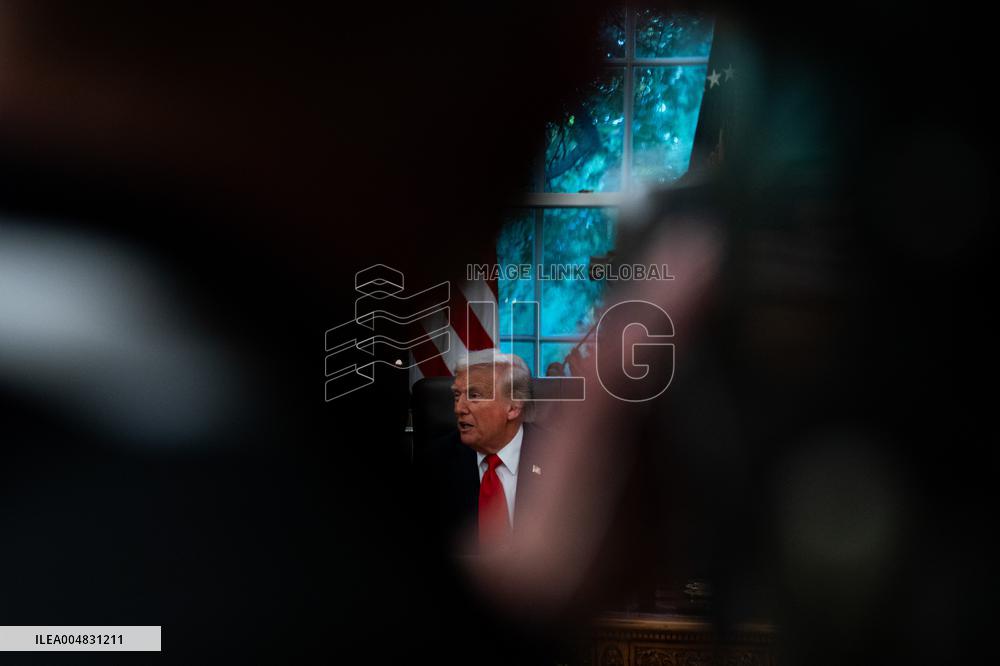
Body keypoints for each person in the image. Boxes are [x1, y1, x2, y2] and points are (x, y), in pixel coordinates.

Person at [417, 349, 547, 556]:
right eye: (457, 396)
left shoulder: (560, 459)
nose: (459, 409)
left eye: (474, 396)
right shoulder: (432, 464)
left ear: (513, 407)